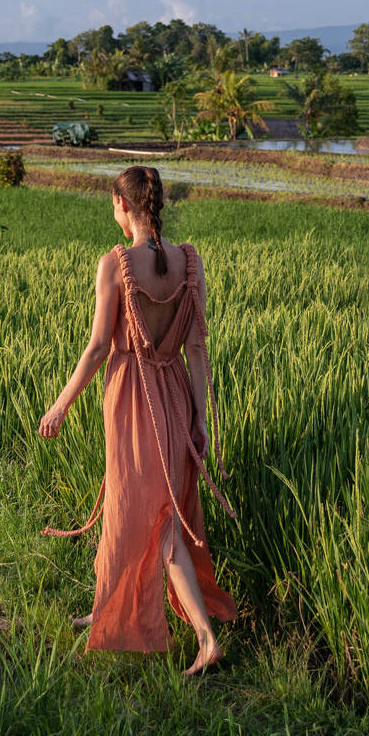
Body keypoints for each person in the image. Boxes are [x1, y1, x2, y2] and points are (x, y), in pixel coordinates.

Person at [37, 165, 237, 676]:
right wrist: (199, 420)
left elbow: (99, 347)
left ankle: (204, 637)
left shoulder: (115, 263)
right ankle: (107, 607)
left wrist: (60, 404)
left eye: (113, 204)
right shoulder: (190, 262)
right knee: (129, 504)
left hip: (131, 398)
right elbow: (197, 350)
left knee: (154, 516)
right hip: (173, 398)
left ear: (124, 206)